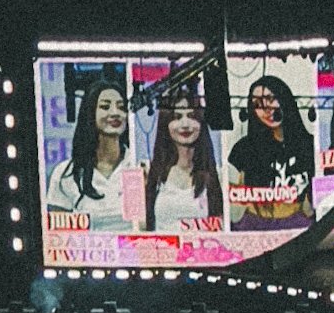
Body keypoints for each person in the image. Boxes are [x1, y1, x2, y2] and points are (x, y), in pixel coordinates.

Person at [228, 75, 315, 230]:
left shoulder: (308, 145)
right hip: (254, 224)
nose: (266, 109)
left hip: (296, 223)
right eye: (257, 104)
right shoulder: (243, 148)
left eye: (270, 99)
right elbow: (229, 193)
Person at [46, 79, 132, 231]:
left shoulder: (139, 167)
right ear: (90, 113)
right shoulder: (64, 174)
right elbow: (57, 234)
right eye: (105, 107)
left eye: (121, 107)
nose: (115, 113)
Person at [145, 87, 223, 231]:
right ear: (166, 124)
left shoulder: (217, 175)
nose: (185, 124)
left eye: (192, 116)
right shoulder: (151, 174)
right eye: (177, 117)